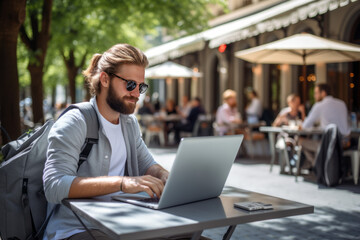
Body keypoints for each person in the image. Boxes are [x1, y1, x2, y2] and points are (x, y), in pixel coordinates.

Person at [42, 44, 171, 240]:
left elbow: (147, 165)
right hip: (75, 229)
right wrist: (122, 183)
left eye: (141, 86)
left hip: (120, 224)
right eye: (130, 84)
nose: (136, 94)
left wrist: (164, 175)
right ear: (104, 79)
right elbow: (54, 186)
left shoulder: (129, 124)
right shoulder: (75, 121)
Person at [299, 83, 350, 167]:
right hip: (346, 143)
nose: (314, 96)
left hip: (330, 144)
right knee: (317, 140)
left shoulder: (319, 105)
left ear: (323, 93)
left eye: (316, 93)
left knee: (300, 141)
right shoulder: (342, 103)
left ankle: (316, 166)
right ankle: (320, 166)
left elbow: (305, 126)